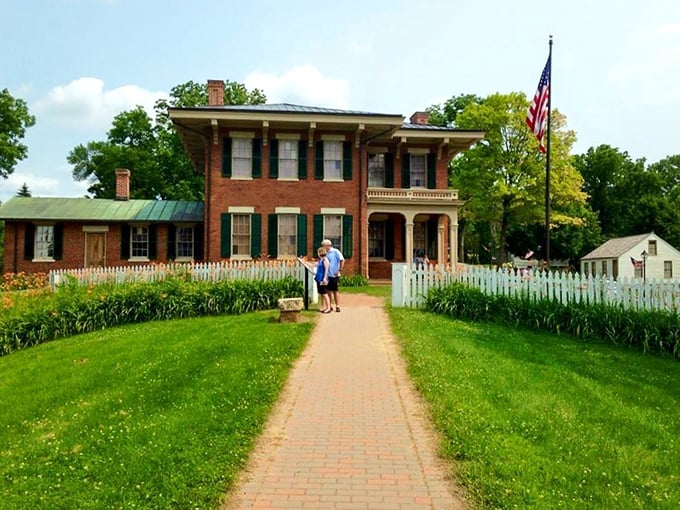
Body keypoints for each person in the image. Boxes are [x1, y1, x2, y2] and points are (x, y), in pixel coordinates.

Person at [321, 239, 344, 312]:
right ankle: (329, 305)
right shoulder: (324, 253)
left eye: (323, 246)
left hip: (334, 274)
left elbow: (342, 260)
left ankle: (337, 306)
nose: (322, 247)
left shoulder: (335, 251)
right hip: (326, 275)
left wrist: (339, 270)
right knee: (328, 291)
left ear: (327, 246)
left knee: (335, 290)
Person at [314, 247, 332, 313]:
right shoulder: (320, 260)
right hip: (319, 278)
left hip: (323, 279)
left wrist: (324, 278)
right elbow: (314, 264)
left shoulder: (325, 260)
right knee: (321, 293)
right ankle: (324, 306)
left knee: (324, 293)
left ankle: (328, 307)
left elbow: (326, 269)